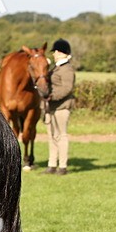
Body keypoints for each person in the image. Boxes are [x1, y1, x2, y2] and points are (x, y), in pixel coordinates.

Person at [43, 39, 76, 175]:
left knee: (61, 135)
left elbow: (67, 88)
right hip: (51, 106)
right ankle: (52, 164)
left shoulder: (67, 69)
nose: (54, 54)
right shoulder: (56, 68)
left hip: (62, 106)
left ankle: (62, 166)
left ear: (62, 53)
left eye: (56, 51)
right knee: (52, 136)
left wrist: (52, 96)